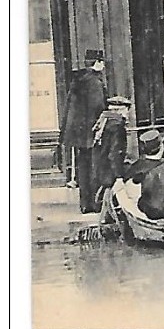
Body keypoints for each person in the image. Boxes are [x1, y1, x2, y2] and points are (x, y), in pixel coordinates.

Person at [59, 49, 108, 212]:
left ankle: (85, 204)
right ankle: (95, 204)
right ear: (97, 63)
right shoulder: (95, 82)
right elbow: (98, 107)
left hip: (78, 135)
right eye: (102, 62)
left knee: (83, 168)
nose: (103, 66)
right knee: (95, 168)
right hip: (92, 134)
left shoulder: (78, 80)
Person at [88, 96, 132, 213]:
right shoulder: (117, 126)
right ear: (121, 110)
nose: (128, 114)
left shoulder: (104, 122)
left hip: (100, 171)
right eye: (127, 110)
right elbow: (114, 154)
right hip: (110, 174)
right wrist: (118, 177)